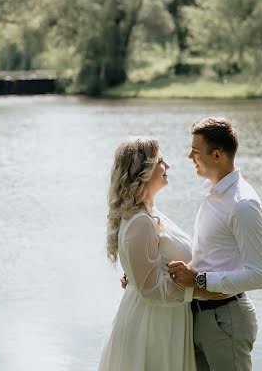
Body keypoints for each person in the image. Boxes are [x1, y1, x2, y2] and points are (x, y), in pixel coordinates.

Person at [98, 137, 228, 371]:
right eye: (160, 160)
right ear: (143, 171)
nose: (167, 165)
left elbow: (147, 273)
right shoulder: (140, 221)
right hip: (153, 325)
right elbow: (150, 289)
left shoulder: (149, 213)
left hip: (165, 319)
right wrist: (201, 289)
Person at [168, 117, 262, 371]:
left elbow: (258, 276)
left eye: (195, 151)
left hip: (227, 320)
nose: (190, 157)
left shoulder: (243, 204)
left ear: (216, 155)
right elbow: (207, 257)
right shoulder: (213, 196)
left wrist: (198, 280)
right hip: (196, 316)